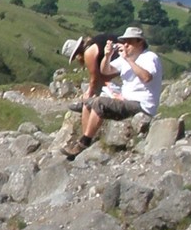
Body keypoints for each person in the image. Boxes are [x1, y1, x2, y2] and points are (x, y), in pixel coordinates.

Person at [63, 26, 162, 159]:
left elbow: (146, 77)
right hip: (127, 101)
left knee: (99, 103)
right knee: (88, 103)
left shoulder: (149, 57)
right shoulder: (127, 57)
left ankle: (84, 142)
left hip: (141, 104)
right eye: (124, 41)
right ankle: (85, 139)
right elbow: (105, 71)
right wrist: (107, 56)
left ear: (140, 42)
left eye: (129, 42)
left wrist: (129, 60)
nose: (125, 45)